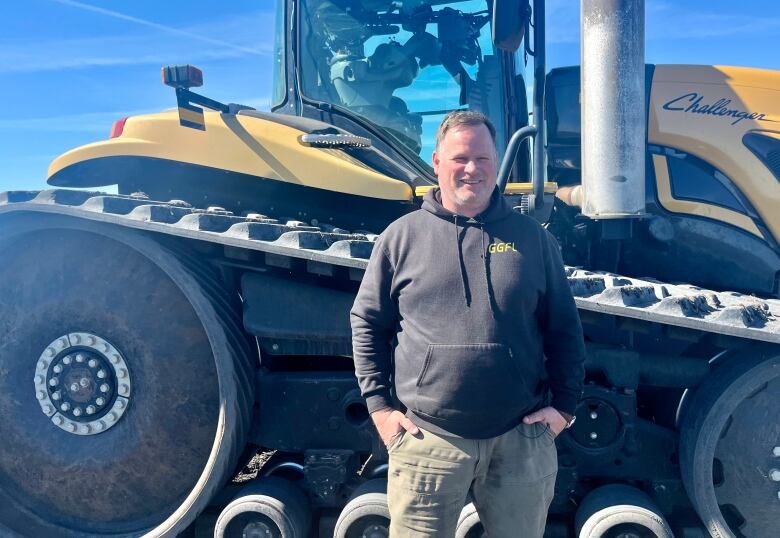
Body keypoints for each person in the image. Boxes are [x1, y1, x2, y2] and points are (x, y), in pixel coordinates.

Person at [350, 111, 586, 537]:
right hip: (428, 442)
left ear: (497, 164)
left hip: (520, 438)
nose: (473, 169)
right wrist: (380, 409)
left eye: (483, 158)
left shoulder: (534, 239)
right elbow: (367, 321)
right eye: (460, 158)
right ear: (437, 162)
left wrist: (565, 407)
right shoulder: (401, 237)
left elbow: (564, 328)